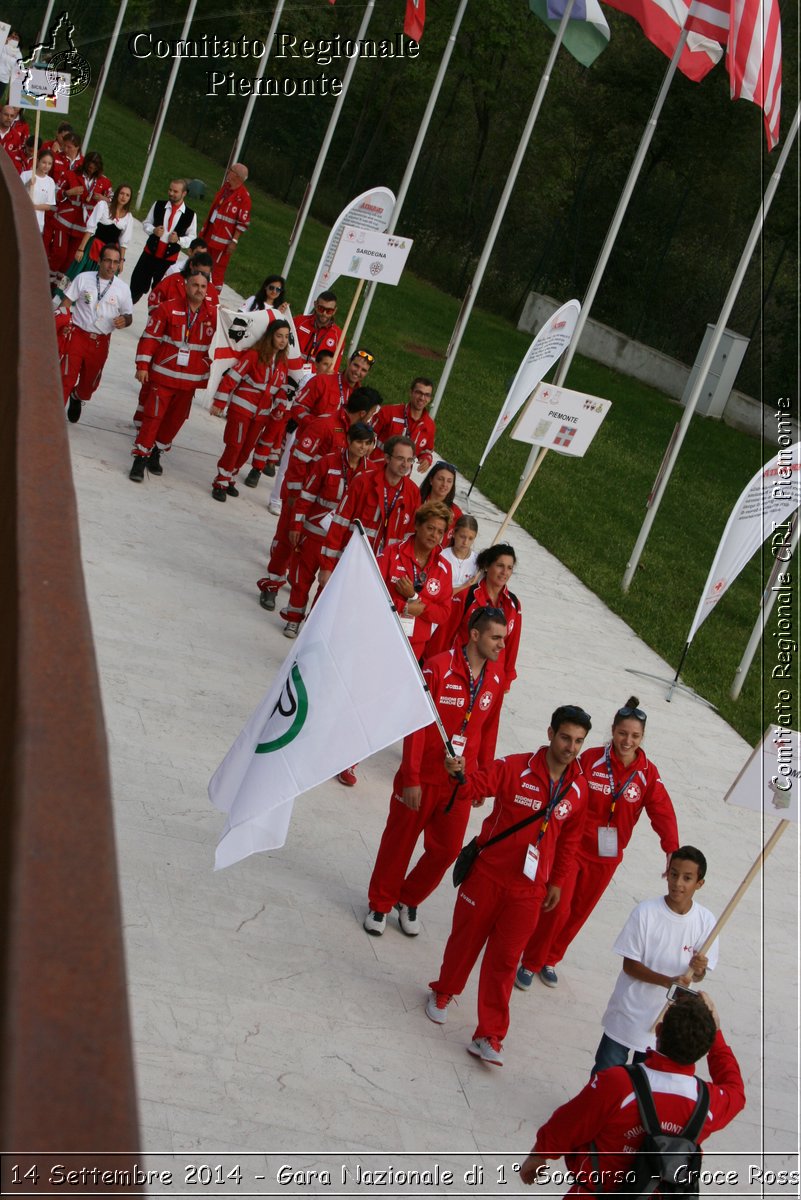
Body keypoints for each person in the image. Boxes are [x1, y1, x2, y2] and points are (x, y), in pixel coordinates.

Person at [425, 705, 591, 1066]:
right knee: (464, 941)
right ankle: (444, 991)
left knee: (504, 961)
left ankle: (490, 1035)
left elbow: (570, 841)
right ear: (550, 734)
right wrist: (460, 775)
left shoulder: (579, 789)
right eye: (565, 737)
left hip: (529, 891)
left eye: (578, 741)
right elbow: (477, 786)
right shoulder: (514, 767)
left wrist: (557, 882)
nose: (571, 747)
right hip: (486, 876)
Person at [516, 696, 679, 992]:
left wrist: (672, 849)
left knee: (578, 912)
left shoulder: (647, 774)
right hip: (574, 848)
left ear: (643, 737)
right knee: (558, 908)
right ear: (612, 731)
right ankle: (530, 960)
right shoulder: (590, 760)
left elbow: (663, 811)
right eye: (622, 733)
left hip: (607, 857)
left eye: (635, 736)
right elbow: (564, 789)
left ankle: (551, 958)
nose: (627, 741)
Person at [364, 607, 507, 937]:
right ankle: (380, 903)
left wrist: (482, 780)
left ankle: (408, 897)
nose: (501, 645)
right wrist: (411, 776)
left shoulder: (495, 680)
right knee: (399, 843)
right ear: (475, 635)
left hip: (458, 784)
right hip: (421, 779)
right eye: (495, 637)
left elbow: (488, 731)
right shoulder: (438, 668)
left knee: (446, 850)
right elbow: (416, 726)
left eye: (503, 638)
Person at [518, 991, 745, 1191]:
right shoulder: (710, 1102)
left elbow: (570, 1123)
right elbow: (735, 1088)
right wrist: (716, 1035)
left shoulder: (618, 1083)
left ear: (658, 1031)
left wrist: (539, 1154)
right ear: (704, 1049)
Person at [592, 846, 717, 1075]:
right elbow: (629, 966)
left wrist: (698, 970)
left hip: (665, 1027)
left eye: (687, 878)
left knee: (643, 1088)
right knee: (604, 1077)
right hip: (627, 1015)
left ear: (699, 883)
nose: (678, 883)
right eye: (674, 874)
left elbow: (698, 975)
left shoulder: (706, 921)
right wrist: (667, 981)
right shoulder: (645, 912)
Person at [256, 387, 382, 611]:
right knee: (287, 541)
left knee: (306, 554)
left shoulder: (357, 433)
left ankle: (294, 583)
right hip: (302, 498)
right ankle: (271, 585)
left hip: (326, 508)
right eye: (373, 412)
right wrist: (295, 498)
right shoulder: (324, 425)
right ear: (364, 412)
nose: (373, 417)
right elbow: (298, 463)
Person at [281, 421, 377, 637]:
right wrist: (296, 524)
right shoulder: (327, 462)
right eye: (359, 442)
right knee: (301, 580)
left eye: (367, 444)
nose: (363, 447)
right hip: (314, 533)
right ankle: (293, 620)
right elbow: (306, 496)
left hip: (341, 540)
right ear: (348, 441)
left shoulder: (372, 472)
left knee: (327, 587)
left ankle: (312, 628)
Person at [242, 348, 374, 490]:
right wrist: (317, 426)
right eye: (356, 365)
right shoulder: (323, 380)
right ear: (348, 362)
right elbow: (297, 408)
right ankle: (275, 499)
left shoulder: (363, 396)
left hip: (335, 455)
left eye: (363, 370)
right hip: (308, 444)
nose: (357, 372)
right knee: (290, 484)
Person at [129, 268, 216, 481]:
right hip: (164, 377)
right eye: (195, 285)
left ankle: (157, 452)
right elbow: (150, 337)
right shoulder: (167, 309)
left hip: (190, 383)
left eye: (203, 286)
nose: (199, 290)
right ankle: (140, 457)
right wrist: (142, 365)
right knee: (153, 417)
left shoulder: (214, 316)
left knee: (175, 421)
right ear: (185, 285)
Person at [210, 319, 290, 501]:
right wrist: (220, 402)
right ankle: (220, 481)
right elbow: (232, 376)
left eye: (286, 337)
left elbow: (281, 388)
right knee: (235, 445)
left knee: (246, 449)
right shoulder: (254, 355)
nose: (283, 340)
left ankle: (230, 476)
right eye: (279, 336)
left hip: (261, 414)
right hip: (242, 407)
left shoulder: (282, 362)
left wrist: (280, 405)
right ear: (270, 336)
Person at [321, 434, 421, 576]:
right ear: (387, 458)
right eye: (400, 458)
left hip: (380, 571)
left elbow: (410, 539)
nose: (405, 465)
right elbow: (339, 523)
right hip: (347, 562)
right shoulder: (362, 482)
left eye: (410, 460)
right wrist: (327, 566)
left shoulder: (413, 493)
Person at [427, 542, 522, 690]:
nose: (505, 572)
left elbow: (511, 645)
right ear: (486, 566)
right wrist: (432, 666)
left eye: (509, 568)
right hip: (460, 671)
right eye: (500, 565)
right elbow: (444, 635)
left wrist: (507, 678)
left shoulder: (513, 604)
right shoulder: (467, 597)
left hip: (492, 677)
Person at [59, 244, 133, 422]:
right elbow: (66, 302)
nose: (111, 266)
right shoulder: (84, 278)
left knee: (89, 385)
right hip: (77, 334)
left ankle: (77, 396)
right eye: (107, 261)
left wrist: (125, 320)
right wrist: (63, 324)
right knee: (65, 378)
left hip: (100, 342)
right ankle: (52, 416)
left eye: (116, 262)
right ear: (99, 261)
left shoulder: (123, 289)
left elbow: (128, 315)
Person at [378, 500, 454, 661]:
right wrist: (404, 607)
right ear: (418, 525)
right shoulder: (391, 553)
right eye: (430, 528)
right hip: (383, 634)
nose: (434, 535)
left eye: (440, 532)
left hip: (415, 646)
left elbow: (443, 614)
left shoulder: (444, 568)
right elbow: (372, 594)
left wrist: (415, 598)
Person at [129, 179, 198, 303]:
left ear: (184, 193)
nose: (171, 193)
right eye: (170, 190)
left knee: (160, 295)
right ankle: (123, 314)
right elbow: (146, 223)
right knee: (135, 287)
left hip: (168, 261)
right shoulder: (159, 205)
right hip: (149, 254)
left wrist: (179, 240)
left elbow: (192, 238)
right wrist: (153, 230)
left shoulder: (191, 215)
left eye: (175, 191)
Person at [47, 150, 112, 279]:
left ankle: (58, 288)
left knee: (71, 259)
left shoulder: (104, 182)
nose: (91, 168)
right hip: (64, 221)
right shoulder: (70, 174)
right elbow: (54, 194)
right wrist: (68, 193)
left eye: (95, 167)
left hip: (83, 226)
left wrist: (103, 199)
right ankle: (46, 280)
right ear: (85, 163)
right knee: (59, 254)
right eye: (89, 165)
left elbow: (112, 201)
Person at [199, 162, 251, 287]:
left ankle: (213, 296)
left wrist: (234, 241)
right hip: (209, 234)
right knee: (201, 262)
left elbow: (242, 223)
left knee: (216, 270)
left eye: (231, 170)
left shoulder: (244, 198)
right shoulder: (226, 188)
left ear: (237, 176)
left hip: (223, 243)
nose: (228, 171)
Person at [370, 378, 436, 471]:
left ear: (430, 398)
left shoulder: (430, 425)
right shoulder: (389, 412)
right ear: (411, 392)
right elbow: (367, 434)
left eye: (427, 395)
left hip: (402, 475)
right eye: (419, 393)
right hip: (376, 468)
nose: (422, 398)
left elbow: (427, 450)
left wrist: (427, 458)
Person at [71, 183, 133, 276]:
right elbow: (90, 229)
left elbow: (123, 243)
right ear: (117, 194)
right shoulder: (103, 206)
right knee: (80, 274)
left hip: (110, 254)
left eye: (127, 195)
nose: (124, 197)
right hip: (94, 247)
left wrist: (121, 261)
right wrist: (81, 249)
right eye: (122, 193)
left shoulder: (128, 217)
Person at [293, 291, 342, 367]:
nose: (324, 313)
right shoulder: (299, 321)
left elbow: (333, 368)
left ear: (334, 311)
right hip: (291, 370)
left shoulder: (338, 336)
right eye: (321, 308)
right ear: (315, 305)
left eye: (329, 311)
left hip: (316, 378)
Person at [419, 460, 462, 542]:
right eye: (440, 479)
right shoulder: (416, 500)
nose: (444, 484)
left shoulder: (456, 513)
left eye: (449, 481)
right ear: (431, 480)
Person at [440, 514, 479, 594]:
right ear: (454, 533)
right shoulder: (442, 556)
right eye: (462, 536)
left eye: (470, 538)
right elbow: (439, 592)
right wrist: (465, 586)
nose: (465, 542)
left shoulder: (478, 561)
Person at [20, 149, 57, 232]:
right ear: (37, 161)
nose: (46, 166)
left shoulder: (50, 182)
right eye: (44, 162)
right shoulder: (25, 175)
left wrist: (34, 207)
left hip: (37, 223)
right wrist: (28, 184)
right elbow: (17, 194)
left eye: (49, 163)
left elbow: (49, 206)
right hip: (21, 217)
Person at [0, 34, 22, 104]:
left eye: (16, 38)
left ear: (19, 41)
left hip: (4, 80)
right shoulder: (2, 46)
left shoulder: (18, 54)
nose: (14, 39)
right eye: (12, 37)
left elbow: (19, 68)